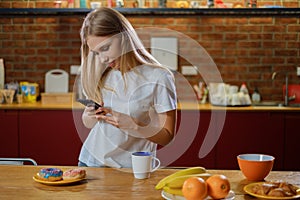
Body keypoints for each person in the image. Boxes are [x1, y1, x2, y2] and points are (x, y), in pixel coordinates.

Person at [78, 7, 177, 168]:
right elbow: (89, 124)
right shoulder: (103, 74)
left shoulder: (159, 77)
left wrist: (133, 124)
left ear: (123, 37)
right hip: (90, 162)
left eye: (105, 48)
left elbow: (167, 136)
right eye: (96, 53)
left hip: (133, 168)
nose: (103, 59)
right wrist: (90, 115)